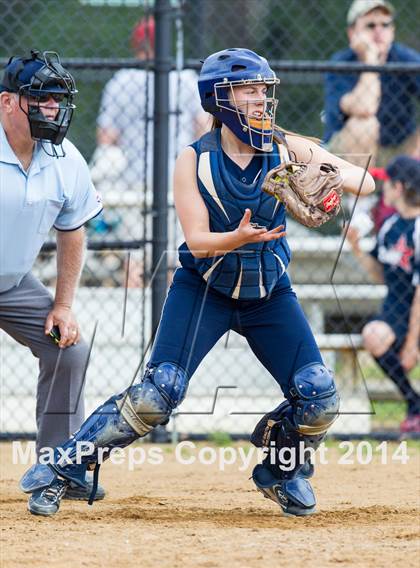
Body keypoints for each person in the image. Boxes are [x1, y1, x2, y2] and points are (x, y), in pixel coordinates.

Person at [22, 48, 375, 518]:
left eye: (264, 91)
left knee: (320, 397)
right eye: (248, 90)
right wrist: (240, 236)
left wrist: (325, 173)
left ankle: (282, 469)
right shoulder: (196, 159)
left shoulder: (285, 146)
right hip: (203, 288)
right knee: (156, 394)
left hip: (267, 295)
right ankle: (65, 467)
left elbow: (366, 182)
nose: (261, 100)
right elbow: (199, 241)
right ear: (219, 98)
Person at [0, 50, 105, 504]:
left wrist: (62, 306)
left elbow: (72, 230)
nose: (51, 110)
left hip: (12, 282)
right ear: (7, 102)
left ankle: (58, 464)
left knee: (69, 347)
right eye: (40, 100)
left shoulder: (65, 158)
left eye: (57, 101)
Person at [90, 16, 208, 243]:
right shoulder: (185, 79)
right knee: (176, 251)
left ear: (137, 44)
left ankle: (136, 276)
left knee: (136, 252)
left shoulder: (121, 81)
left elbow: (106, 137)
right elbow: (202, 130)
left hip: (132, 179)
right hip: (179, 175)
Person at [346, 156, 420, 433]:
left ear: (400, 187)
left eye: (387, 182)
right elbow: (380, 273)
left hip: (416, 310)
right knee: (373, 335)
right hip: (396, 310)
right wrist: (356, 247)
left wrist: (412, 344)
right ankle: (415, 404)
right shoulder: (390, 225)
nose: (383, 188)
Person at [323, 0, 420, 168]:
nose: (379, 31)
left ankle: (407, 192)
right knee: (364, 125)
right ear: (352, 33)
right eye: (370, 26)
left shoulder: (405, 58)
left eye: (385, 24)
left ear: (393, 30)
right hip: (346, 154)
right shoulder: (341, 63)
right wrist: (371, 59)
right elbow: (364, 108)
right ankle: (359, 194)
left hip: (398, 149)